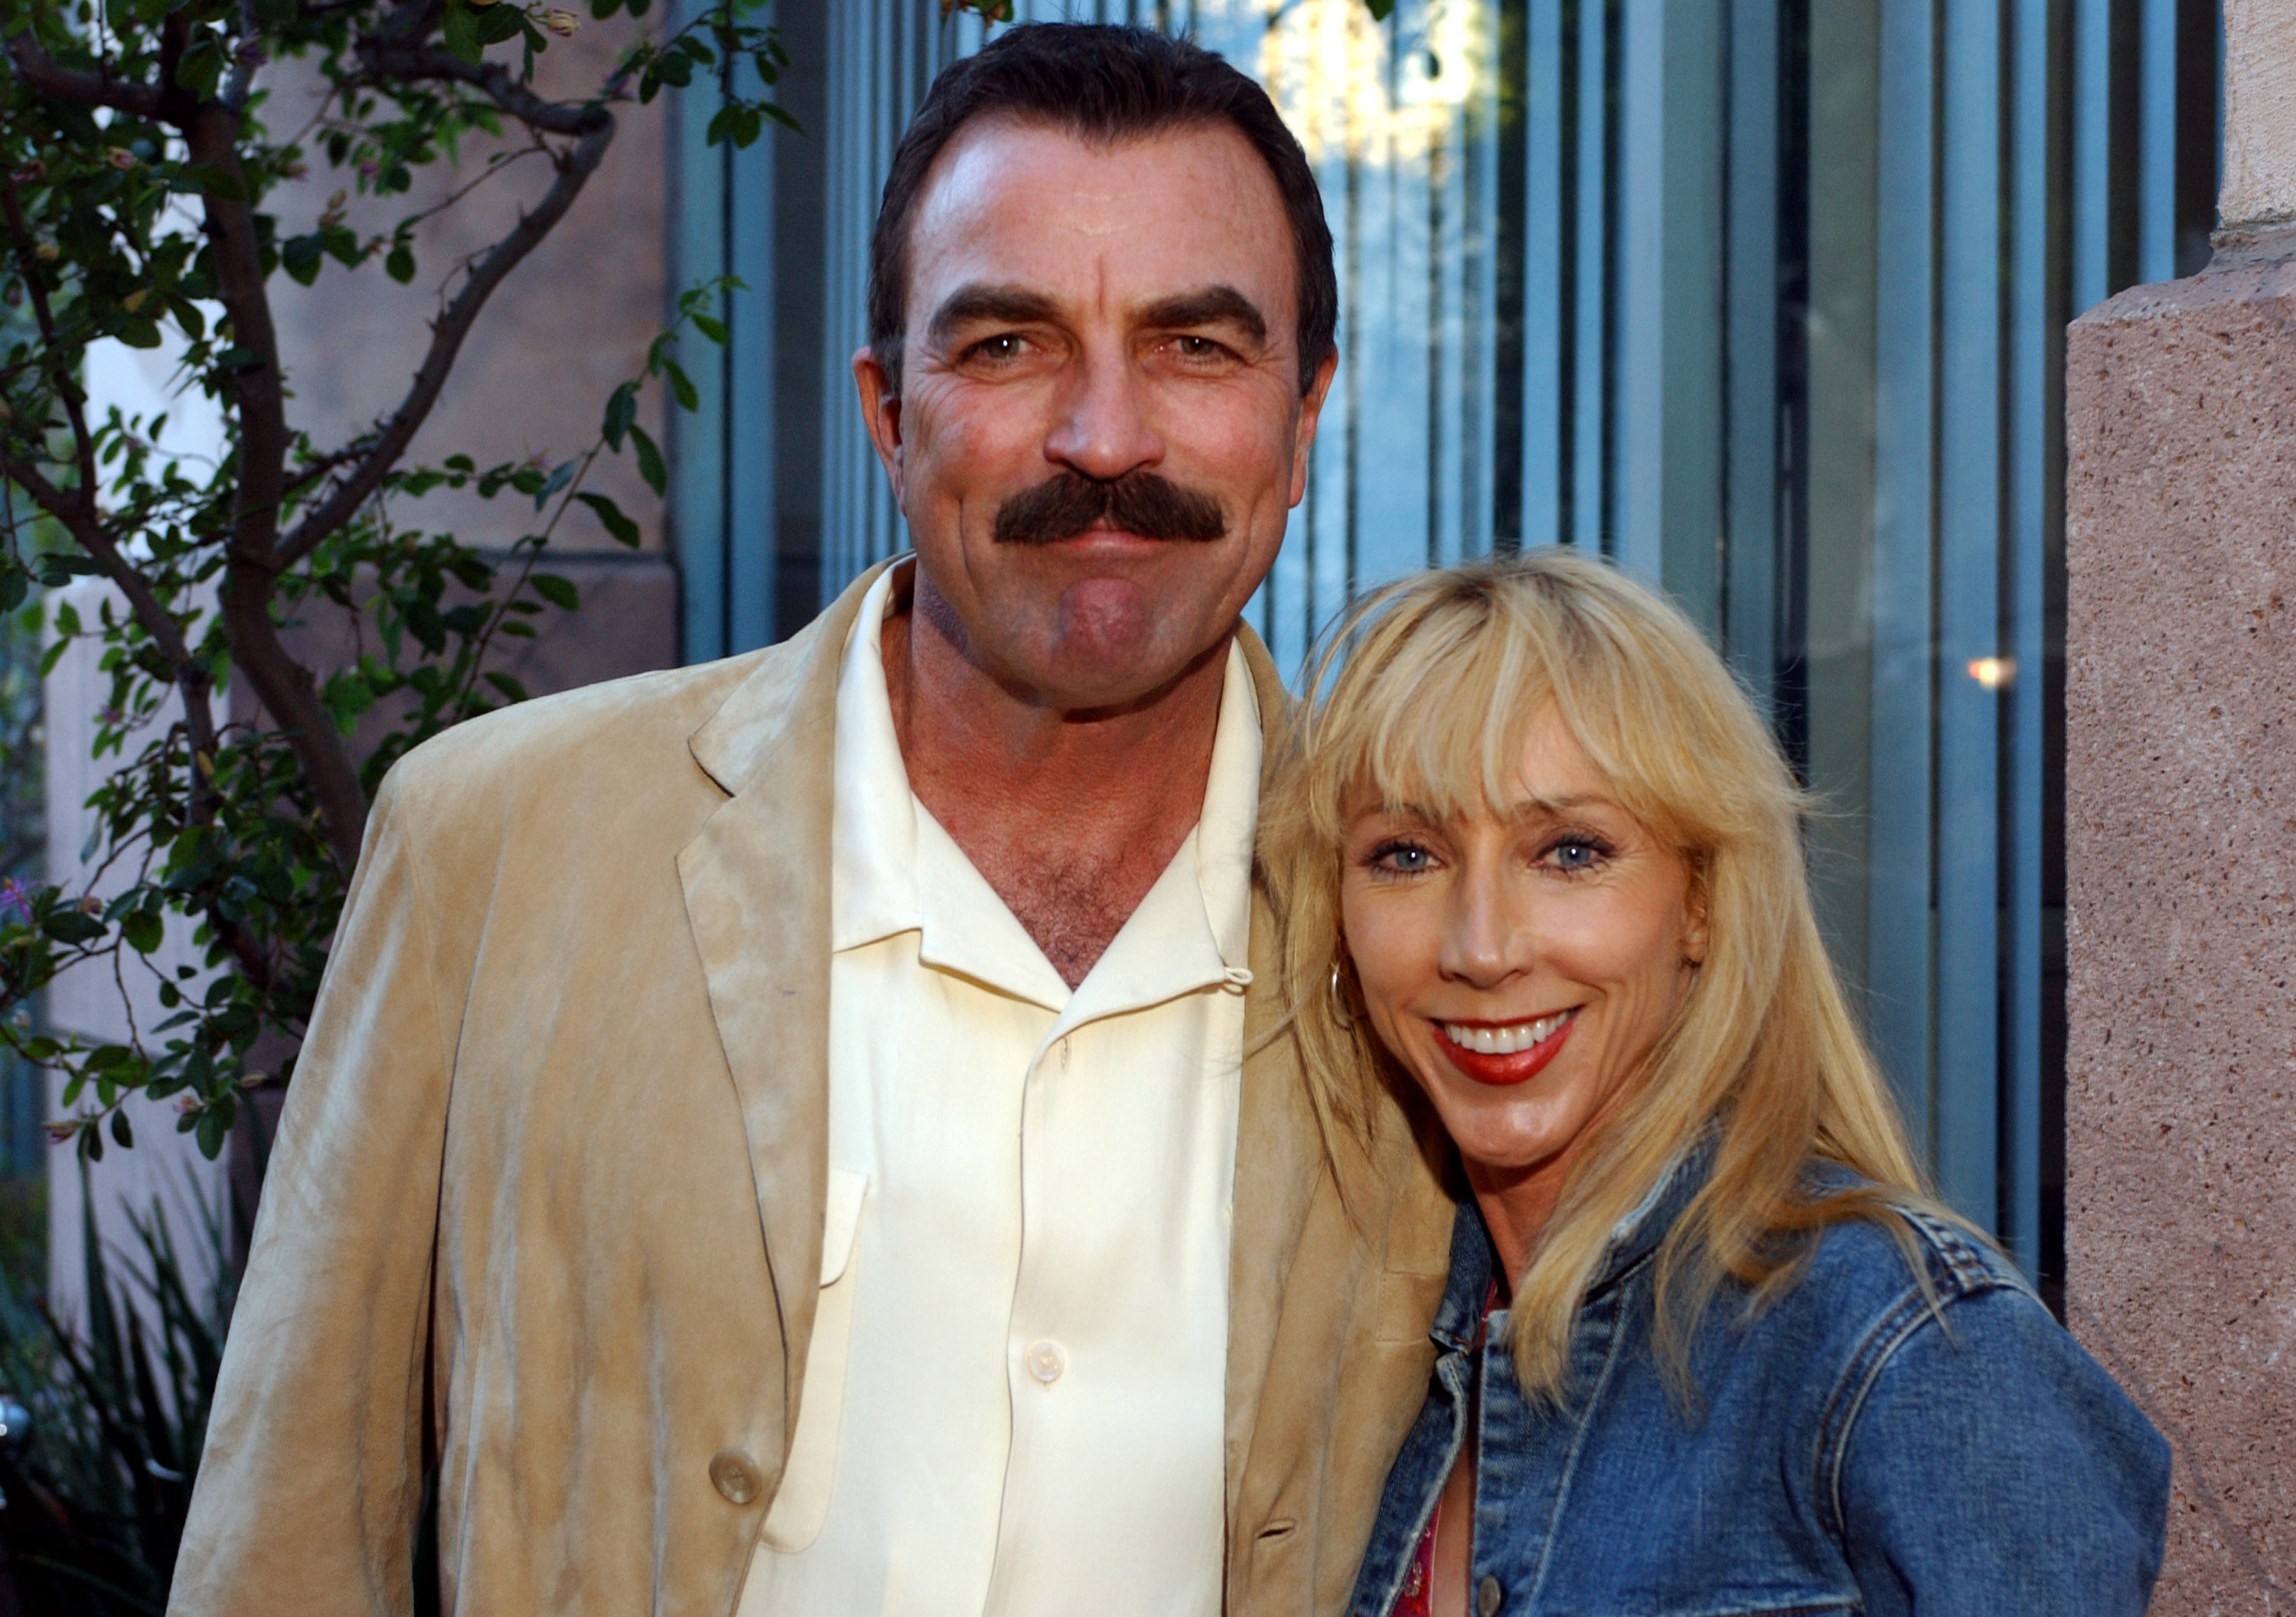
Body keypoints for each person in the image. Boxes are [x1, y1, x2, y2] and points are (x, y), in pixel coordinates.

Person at [168, 25, 1447, 1616]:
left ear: (1306, 414)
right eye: (1006, 346)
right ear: (889, 413)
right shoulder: (499, 848)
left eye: (1197, 347)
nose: (1105, 438)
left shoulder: (1445, 934)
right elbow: (290, 1538)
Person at [1260, 550, 2172, 1617]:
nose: (1482, 946)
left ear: (1700, 902)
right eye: (1407, 855)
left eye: (1568, 850)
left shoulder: (1909, 1349)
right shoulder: (1389, 1361)